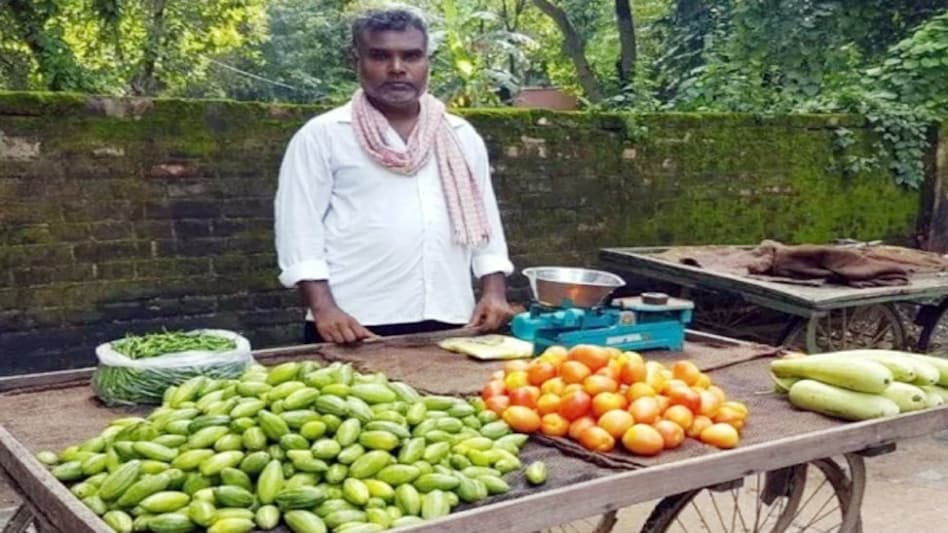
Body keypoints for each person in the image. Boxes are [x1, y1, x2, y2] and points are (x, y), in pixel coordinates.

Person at [274, 7, 515, 345]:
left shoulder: (459, 135)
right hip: (353, 325)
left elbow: (485, 220)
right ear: (355, 60)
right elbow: (299, 231)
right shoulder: (324, 135)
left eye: (412, 56)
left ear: (427, 61)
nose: (397, 68)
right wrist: (324, 309)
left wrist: (494, 291)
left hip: (451, 319)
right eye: (380, 56)